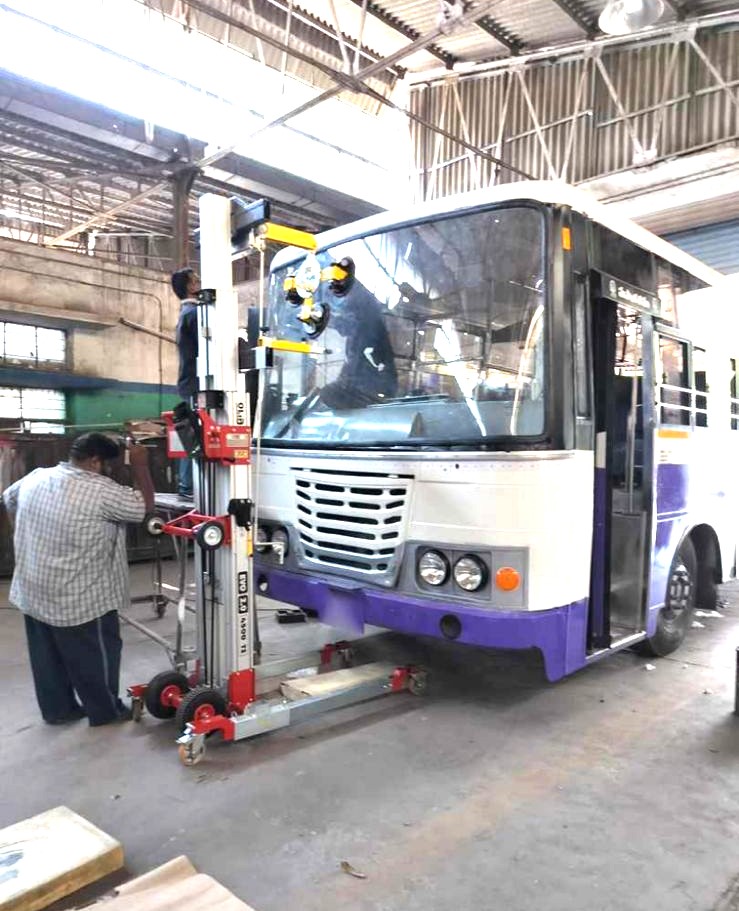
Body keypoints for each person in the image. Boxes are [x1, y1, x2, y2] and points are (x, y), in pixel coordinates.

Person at [2, 433, 155, 726]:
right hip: (79, 596)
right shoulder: (101, 491)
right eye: (109, 466)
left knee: (47, 658)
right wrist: (140, 466)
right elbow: (144, 508)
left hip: (33, 587)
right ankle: (106, 712)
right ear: (96, 461)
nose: (110, 472)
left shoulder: (37, 477)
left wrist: (35, 538)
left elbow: (9, 500)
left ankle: (59, 711)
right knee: (95, 656)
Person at [171, 267, 201, 498]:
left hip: (190, 382)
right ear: (190, 287)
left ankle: (187, 485)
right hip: (196, 383)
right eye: (196, 280)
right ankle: (187, 486)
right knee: (194, 434)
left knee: (192, 433)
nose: (200, 282)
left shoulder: (186, 314)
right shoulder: (194, 314)